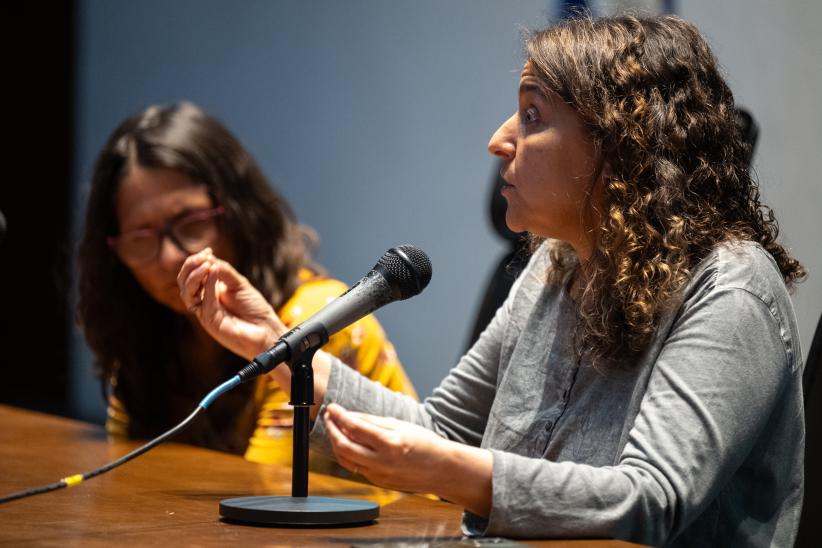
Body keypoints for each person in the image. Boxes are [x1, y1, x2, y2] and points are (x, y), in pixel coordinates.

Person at [177, 16, 806, 546]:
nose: (498, 141)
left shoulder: (730, 290)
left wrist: (463, 473)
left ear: (621, 147)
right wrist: (280, 348)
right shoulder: (554, 266)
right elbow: (444, 434)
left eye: (532, 115)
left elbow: (650, 501)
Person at [76, 101, 417, 469]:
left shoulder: (316, 320)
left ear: (238, 213)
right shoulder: (146, 328)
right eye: (141, 238)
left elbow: (260, 493)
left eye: (190, 223)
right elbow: (125, 474)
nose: (169, 258)